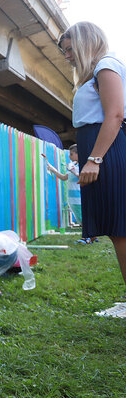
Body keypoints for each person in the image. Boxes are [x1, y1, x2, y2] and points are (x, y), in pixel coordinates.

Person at [58, 22, 126, 291]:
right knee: (117, 232)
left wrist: (94, 159)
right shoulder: (99, 71)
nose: (67, 57)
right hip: (103, 151)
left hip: (106, 154)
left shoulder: (105, 66)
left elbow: (115, 115)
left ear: (86, 43)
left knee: (121, 232)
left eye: (70, 49)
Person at [42, 145, 97, 244]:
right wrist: (52, 169)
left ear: (78, 154)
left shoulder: (82, 166)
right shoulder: (73, 166)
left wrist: (73, 170)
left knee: (82, 218)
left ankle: (87, 237)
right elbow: (64, 178)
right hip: (72, 198)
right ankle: (92, 236)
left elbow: (82, 177)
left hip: (79, 198)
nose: (69, 156)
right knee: (81, 218)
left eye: (71, 154)